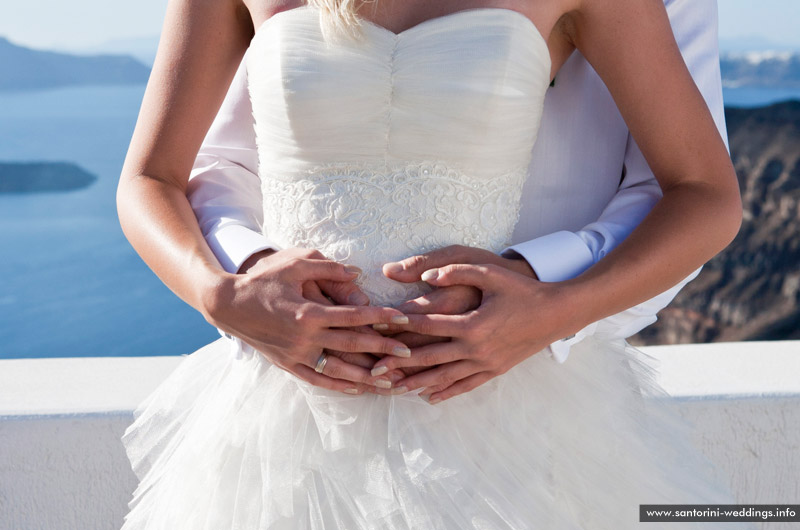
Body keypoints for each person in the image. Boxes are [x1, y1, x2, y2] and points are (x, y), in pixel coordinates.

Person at [117, 0, 753, 528]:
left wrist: (554, 309)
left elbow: (705, 194)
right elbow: (151, 177)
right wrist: (219, 293)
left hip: (505, 396)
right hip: (286, 410)